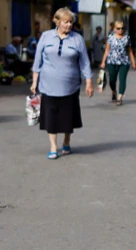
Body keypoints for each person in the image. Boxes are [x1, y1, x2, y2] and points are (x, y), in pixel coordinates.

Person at [29, 7, 94, 160]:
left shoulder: (77, 39)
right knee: (50, 117)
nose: (69, 25)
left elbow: (84, 62)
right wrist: (34, 81)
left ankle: (66, 141)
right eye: (66, 22)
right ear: (57, 21)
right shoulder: (45, 37)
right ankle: (53, 146)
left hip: (70, 86)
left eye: (71, 22)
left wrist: (89, 82)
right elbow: (38, 61)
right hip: (48, 85)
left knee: (67, 117)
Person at [100, 21, 136, 106]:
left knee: (122, 79)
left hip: (124, 62)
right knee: (112, 79)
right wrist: (103, 62)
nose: (120, 30)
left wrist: (133, 62)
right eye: (118, 28)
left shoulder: (127, 38)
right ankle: (114, 91)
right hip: (111, 61)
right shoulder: (111, 37)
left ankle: (119, 98)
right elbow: (107, 50)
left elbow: (130, 51)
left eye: (122, 28)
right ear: (114, 29)